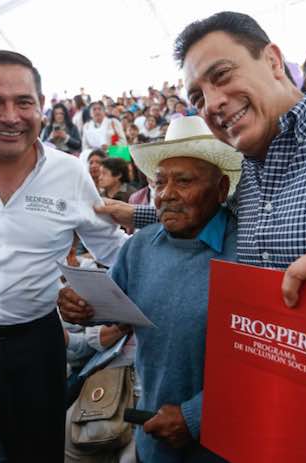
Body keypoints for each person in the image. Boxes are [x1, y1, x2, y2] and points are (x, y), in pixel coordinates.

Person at [85, 11, 306, 463]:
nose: (213, 102)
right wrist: (131, 214)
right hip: (286, 431)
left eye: (222, 75)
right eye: (198, 96)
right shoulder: (248, 182)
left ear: (273, 60)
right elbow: (189, 214)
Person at [0, 50, 127, 462]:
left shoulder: (69, 173)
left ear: (42, 106)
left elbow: (112, 247)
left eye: (24, 102)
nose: (10, 116)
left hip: (36, 348)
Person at [59, 116, 242, 463]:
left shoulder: (246, 253)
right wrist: (80, 305)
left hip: (222, 446)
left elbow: (264, 365)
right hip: (152, 440)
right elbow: (112, 308)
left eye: (184, 181)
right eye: (159, 182)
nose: (167, 194)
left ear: (220, 189)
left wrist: (195, 416)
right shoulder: (139, 246)